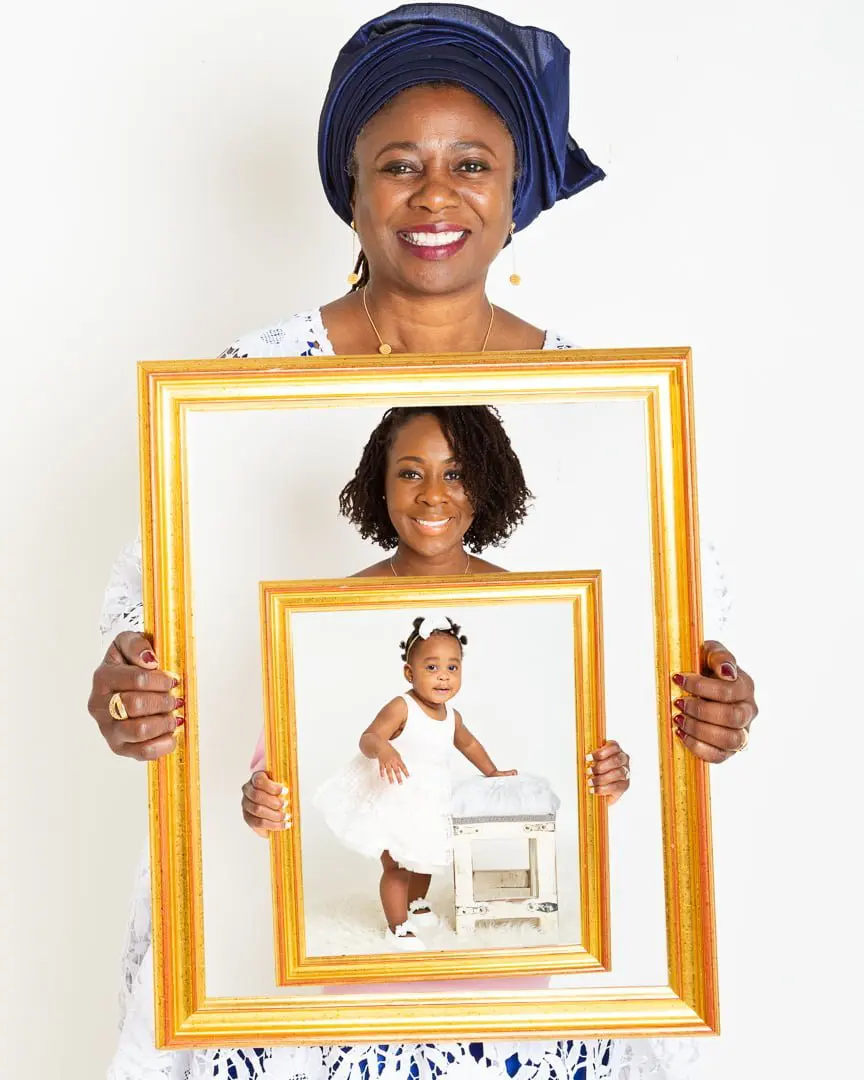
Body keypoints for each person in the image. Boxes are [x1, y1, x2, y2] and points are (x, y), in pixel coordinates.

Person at [90, 6, 758, 1078]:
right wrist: (130, 684)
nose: (435, 195)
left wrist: (710, 702)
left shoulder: (600, 401)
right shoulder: (247, 385)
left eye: (472, 165)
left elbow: (676, 624)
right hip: (259, 929)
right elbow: (159, 606)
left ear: (516, 191)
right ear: (351, 191)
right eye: (399, 165)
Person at [313, 612, 519, 951]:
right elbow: (367, 738)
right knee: (397, 866)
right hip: (395, 798)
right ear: (410, 673)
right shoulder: (402, 707)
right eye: (432, 667)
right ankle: (397, 926)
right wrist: (383, 748)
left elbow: (468, 744)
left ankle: (416, 904)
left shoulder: (452, 716)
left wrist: (492, 771)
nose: (443, 676)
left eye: (452, 667)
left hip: (429, 800)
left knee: (425, 857)